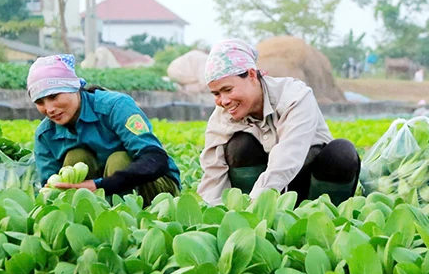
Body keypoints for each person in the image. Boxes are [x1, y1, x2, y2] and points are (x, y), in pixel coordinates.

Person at [197, 39, 361, 206]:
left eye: (228, 90)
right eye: (216, 94)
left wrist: (256, 202)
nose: (223, 101)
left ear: (252, 75)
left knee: (342, 152)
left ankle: (324, 214)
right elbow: (213, 171)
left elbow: (289, 155)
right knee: (241, 145)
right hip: (264, 195)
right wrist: (214, 212)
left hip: (307, 178)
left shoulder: (295, 97)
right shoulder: (222, 116)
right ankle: (254, 214)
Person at [28, 54, 180, 205]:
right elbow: (50, 190)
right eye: (40, 102)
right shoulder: (45, 135)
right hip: (99, 196)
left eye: (54, 96)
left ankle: (124, 217)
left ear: (74, 87)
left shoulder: (116, 106)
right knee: (76, 157)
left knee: (119, 159)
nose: (49, 109)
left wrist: (101, 185)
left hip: (155, 189)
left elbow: (156, 159)